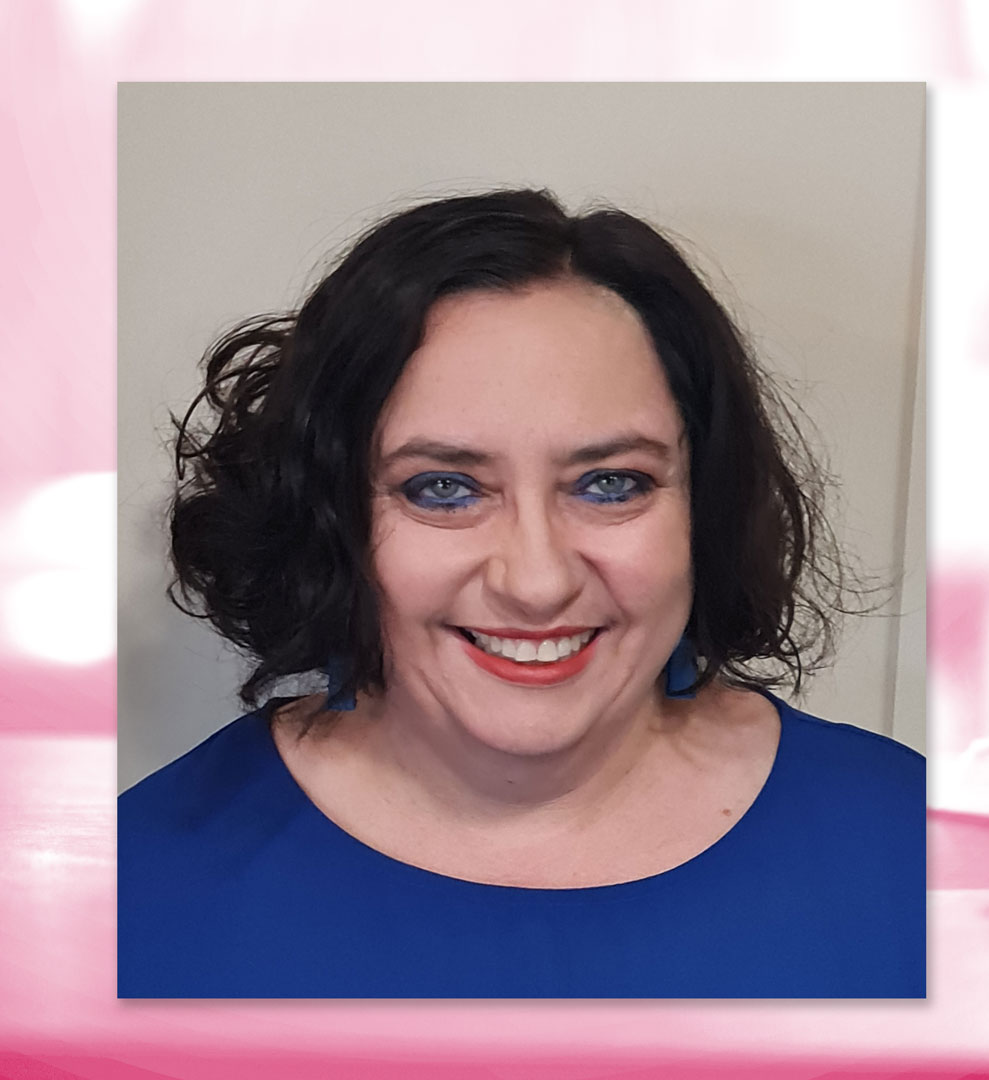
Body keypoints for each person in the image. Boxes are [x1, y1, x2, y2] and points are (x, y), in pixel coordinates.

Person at [118, 190, 926, 998]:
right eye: (441, 488)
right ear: (330, 517)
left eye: (611, 483)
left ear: (702, 506)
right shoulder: (125, 895)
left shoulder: (929, 858)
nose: (537, 583)